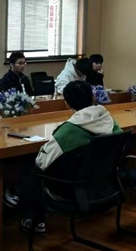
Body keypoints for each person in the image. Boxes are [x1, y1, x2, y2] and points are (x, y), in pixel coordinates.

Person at [17, 81, 122, 235]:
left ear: (66, 103)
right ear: (93, 98)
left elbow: (42, 162)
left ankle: (35, 221)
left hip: (72, 190)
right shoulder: (110, 121)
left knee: (31, 172)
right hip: (104, 186)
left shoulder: (69, 131)